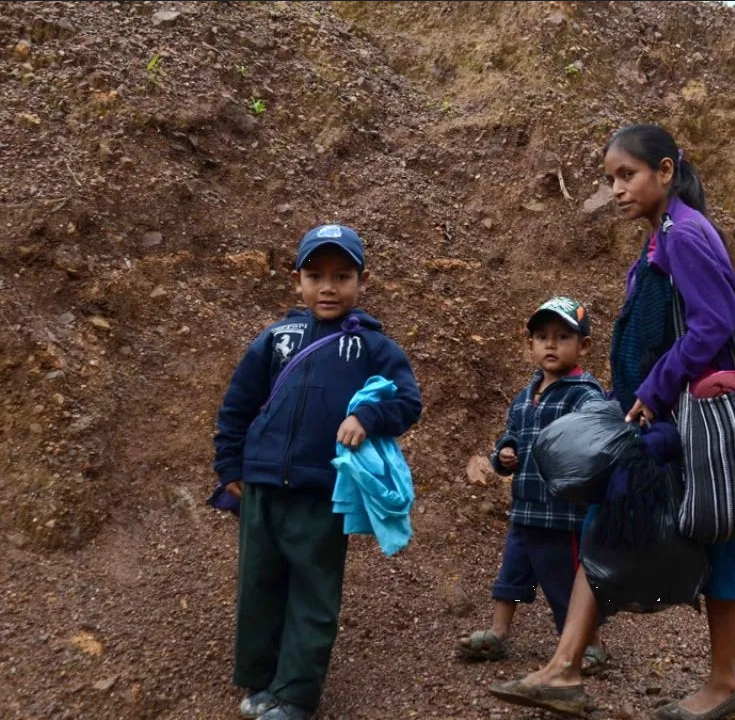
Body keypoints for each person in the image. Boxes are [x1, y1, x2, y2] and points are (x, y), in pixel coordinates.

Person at [489, 124, 735, 720]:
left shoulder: (683, 234)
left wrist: (655, 390)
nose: (617, 189)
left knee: (719, 535)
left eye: (626, 175)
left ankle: (722, 682)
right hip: (659, 416)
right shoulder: (663, 236)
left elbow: (716, 321)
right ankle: (566, 667)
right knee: (613, 521)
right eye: (610, 179)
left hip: (689, 420)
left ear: (664, 171)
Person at [211, 223, 423, 720]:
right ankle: (262, 680)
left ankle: (295, 696)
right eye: (316, 275)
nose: (328, 286)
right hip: (261, 482)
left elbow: (408, 402)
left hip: (322, 490)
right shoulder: (276, 337)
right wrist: (229, 465)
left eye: (342, 275)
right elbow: (238, 405)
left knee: (312, 592)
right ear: (297, 280)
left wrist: (366, 417)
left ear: (361, 282)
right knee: (259, 585)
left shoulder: (373, 347)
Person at [457, 297, 610, 674]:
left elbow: (594, 442)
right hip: (525, 509)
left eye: (562, 336)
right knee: (511, 574)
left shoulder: (584, 395)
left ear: (583, 346)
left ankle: (590, 644)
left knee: (565, 582)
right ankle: (498, 632)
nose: (551, 345)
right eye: (541, 337)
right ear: (530, 346)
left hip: (563, 513)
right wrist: (504, 453)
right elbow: (510, 438)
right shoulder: (525, 397)